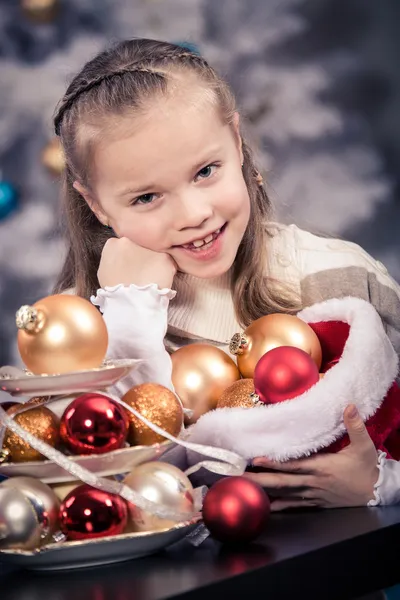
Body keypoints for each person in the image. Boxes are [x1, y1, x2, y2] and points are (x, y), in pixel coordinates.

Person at [53, 38, 400, 510]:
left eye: (205, 171)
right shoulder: (77, 329)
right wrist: (129, 312)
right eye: (146, 198)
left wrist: (380, 485)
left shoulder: (337, 273)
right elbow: (104, 487)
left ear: (236, 142)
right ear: (96, 204)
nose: (194, 213)